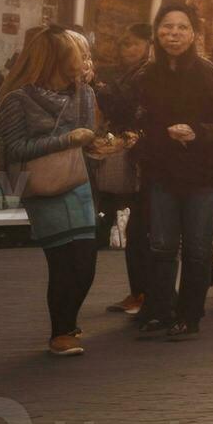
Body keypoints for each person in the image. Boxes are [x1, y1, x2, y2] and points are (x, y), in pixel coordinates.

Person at [130, 5, 213, 340]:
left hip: (203, 176)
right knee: (162, 246)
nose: (173, 34)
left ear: (193, 34)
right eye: (167, 27)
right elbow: (133, 118)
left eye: (182, 27)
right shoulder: (146, 75)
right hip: (162, 174)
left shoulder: (209, 73)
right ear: (157, 32)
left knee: (197, 248)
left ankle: (189, 316)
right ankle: (161, 311)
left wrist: (197, 131)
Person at [0, 26, 104, 356]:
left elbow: (89, 134)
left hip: (79, 183)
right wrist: (65, 140)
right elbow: (13, 148)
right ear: (56, 58)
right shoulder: (17, 99)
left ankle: (68, 320)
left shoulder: (82, 92)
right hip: (43, 189)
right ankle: (61, 332)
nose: (81, 59)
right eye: (74, 53)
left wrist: (97, 143)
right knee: (62, 263)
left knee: (85, 263)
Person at [95, 22, 152, 318]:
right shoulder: (131, 72)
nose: (125, 49)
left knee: (142, 228)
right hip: (135, 155)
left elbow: (123, 106)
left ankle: (145, 294)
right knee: (138, 227)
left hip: (144, 159)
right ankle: (140, 292)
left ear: (147, 45)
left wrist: (98, 88)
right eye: (123, 43)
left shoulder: (146, 73)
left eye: (132, 43)